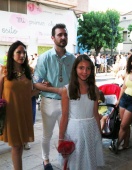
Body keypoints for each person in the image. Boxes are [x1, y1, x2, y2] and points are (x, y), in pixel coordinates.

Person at [33, 23, 75, 170]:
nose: (63, 37)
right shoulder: (45, 58)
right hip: (49, 102)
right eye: (60, 35)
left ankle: (65, 162)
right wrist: (51, 88)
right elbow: (36, 83)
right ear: (53, 38)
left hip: (67, 103)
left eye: (65, 34)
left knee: (66, 135)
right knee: (47, 135)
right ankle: (45, 160)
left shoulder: (72, 59)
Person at [58, 54, 104, 170]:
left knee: (90, 161)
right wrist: (61, 138)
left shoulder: (94, 89)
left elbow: (95, 113)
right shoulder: (66, 90)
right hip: (74, 131)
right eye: (81, 68)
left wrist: (99, 134)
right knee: (75, 161)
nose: (85, 71)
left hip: (91, 129)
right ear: (75, 69)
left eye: (88, 68)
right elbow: (64, 116)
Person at [0, 40, 39, 170]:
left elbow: (28, 94)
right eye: (18, 52)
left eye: (24, 52)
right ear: (12, 54)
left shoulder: (28, 73)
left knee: (20, 145)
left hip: (24, 113)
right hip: (10, 114)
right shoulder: (4, 72)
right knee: (16, 146)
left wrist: (40, 89)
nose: (22, 55)